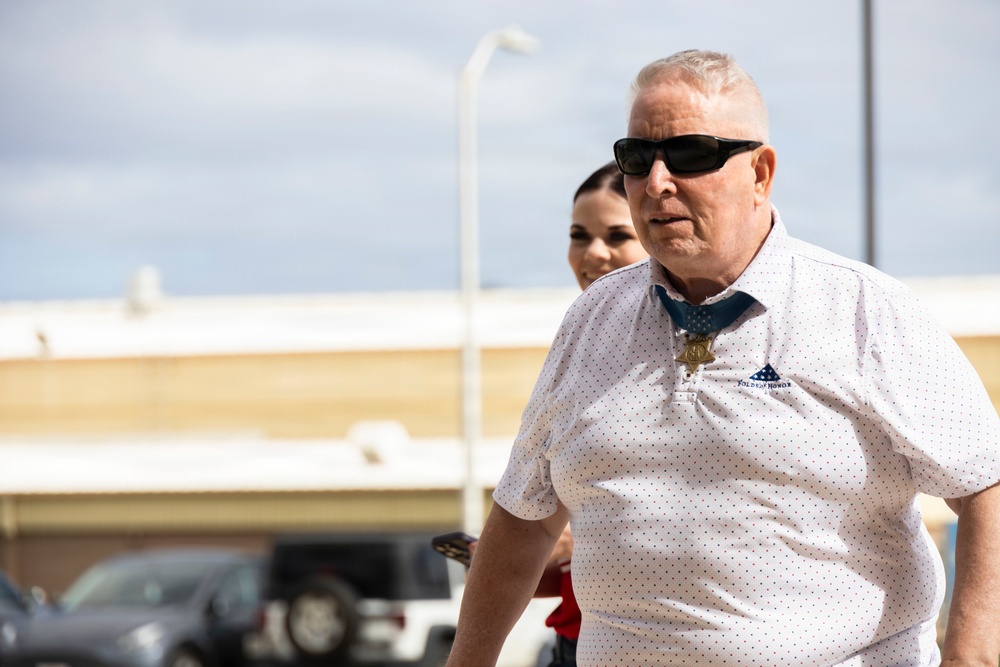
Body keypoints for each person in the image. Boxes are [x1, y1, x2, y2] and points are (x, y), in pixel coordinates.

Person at [446, 49, 1000, 666]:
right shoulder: (590, 320)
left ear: (760, 173)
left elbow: (989, 485)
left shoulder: (864, 310)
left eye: (690, 155)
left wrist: (971, 657)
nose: (657, 182)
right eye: (637, 158)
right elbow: (523, 518)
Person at [469, 161, 649, 667]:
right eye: (579, 236)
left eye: (617, 235)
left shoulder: (692, 356)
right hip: (575, 645)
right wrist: (528, 554)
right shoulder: (576, 355)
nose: (593, 253)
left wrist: (581, 534)